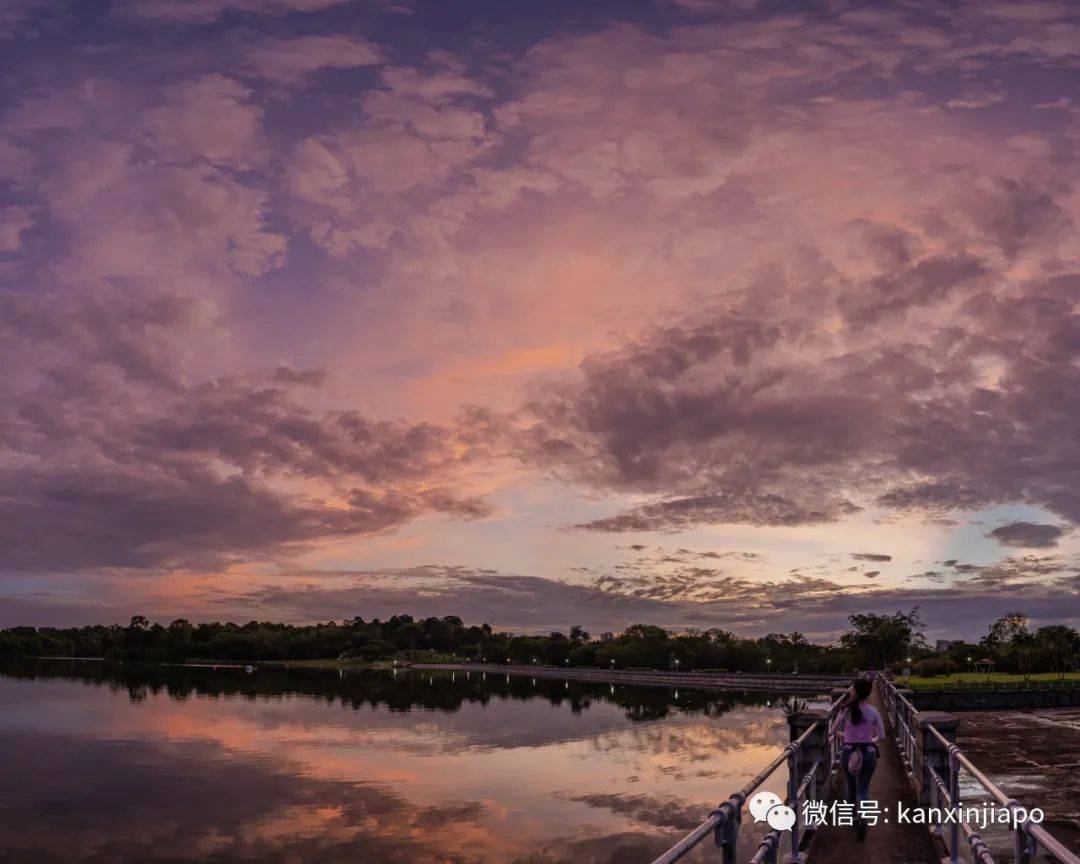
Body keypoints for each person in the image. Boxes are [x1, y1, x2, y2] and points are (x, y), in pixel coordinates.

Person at [829, 677, 884, 840]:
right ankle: (863, 821)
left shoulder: (845, 709)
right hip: (868, 753)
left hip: (848, 751)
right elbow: (882, 736)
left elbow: (832, 731)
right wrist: (871, 740)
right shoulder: (873, 711)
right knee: (863, 789)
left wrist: (846, 736)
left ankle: (853, 817)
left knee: (851, 786)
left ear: (854, 691)